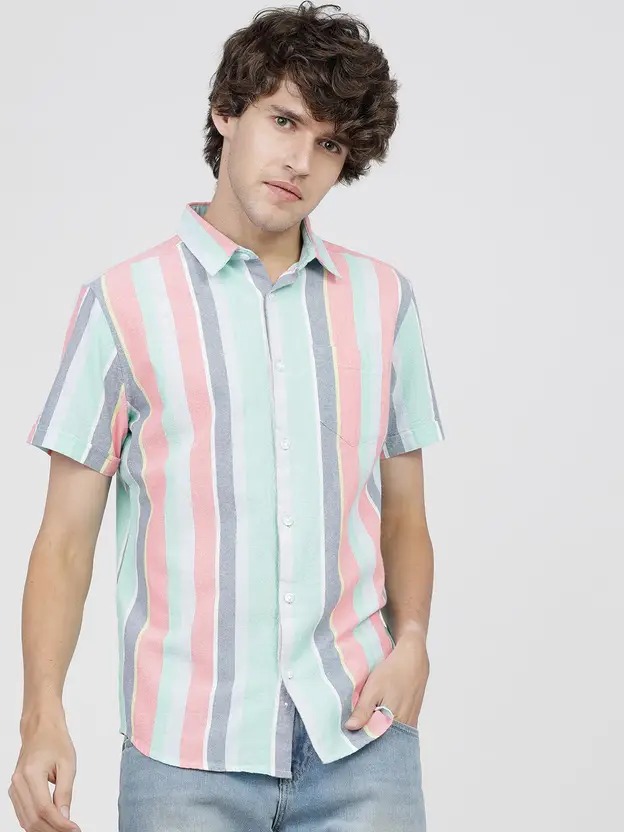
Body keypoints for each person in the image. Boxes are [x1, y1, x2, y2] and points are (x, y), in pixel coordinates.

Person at [9, 2, 445, 830]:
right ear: (226, 111)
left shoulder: (385, 302)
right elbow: (63, 541)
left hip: (362, 735)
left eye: (330, 144)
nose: (301, 161)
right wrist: (41, 718)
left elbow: (404, 516)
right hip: (184, 755)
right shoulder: (121, 305)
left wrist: (414, 640)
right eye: (284, 121)